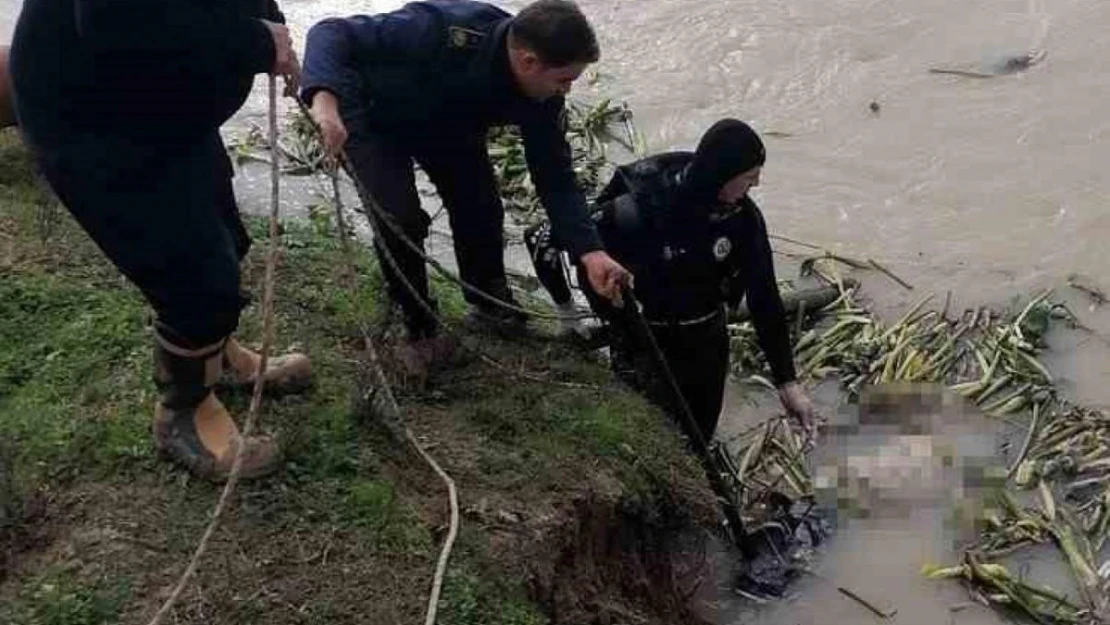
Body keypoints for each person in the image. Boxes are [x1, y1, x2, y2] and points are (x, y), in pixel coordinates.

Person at [9, 0, 311, 482]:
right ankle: (184, 414)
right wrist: (254, 40)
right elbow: (118, 24)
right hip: (94, 120)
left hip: (159, 107)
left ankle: (217, 358)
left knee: (225, 237)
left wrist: (274, 34)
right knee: (195, 276)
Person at [300, 0, 631, 375]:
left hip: (447, 124)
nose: (566, 91)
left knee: (481, 206)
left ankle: (488, 302)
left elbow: (556, 178)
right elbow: (330, 33)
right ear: (528, 61)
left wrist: (590, 253)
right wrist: (324, 103)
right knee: (400, 218)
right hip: (369, 116)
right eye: (564, 80)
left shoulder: (542, 97)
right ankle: (418, 327)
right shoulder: (443, 29)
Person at [524, 119, 815, 442]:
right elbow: (541, 238)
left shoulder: (741, 219)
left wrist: (787, 382)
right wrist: (566, 312)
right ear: (721, 175)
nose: (757, 183)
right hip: (642, 341)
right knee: (645, 435)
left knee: (699, 435)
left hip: (707, 339)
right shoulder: (636, 211)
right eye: (749, 176)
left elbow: (765, 297)